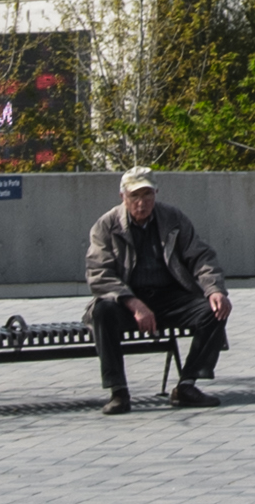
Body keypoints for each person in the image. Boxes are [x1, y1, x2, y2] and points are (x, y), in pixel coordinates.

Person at [83, 168, 230, 409]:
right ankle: (118, 391)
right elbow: (99, 274)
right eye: (134, 197)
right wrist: (134, 303)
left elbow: (201, 256)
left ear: (156, 194)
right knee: (102, 312)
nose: (141, 204)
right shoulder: (106, 225)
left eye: (147, 196)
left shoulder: (172, 218)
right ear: (123, 197)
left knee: (214, 310)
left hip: (169, 297)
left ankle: (187, 385)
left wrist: (215, 289)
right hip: (127, 301)